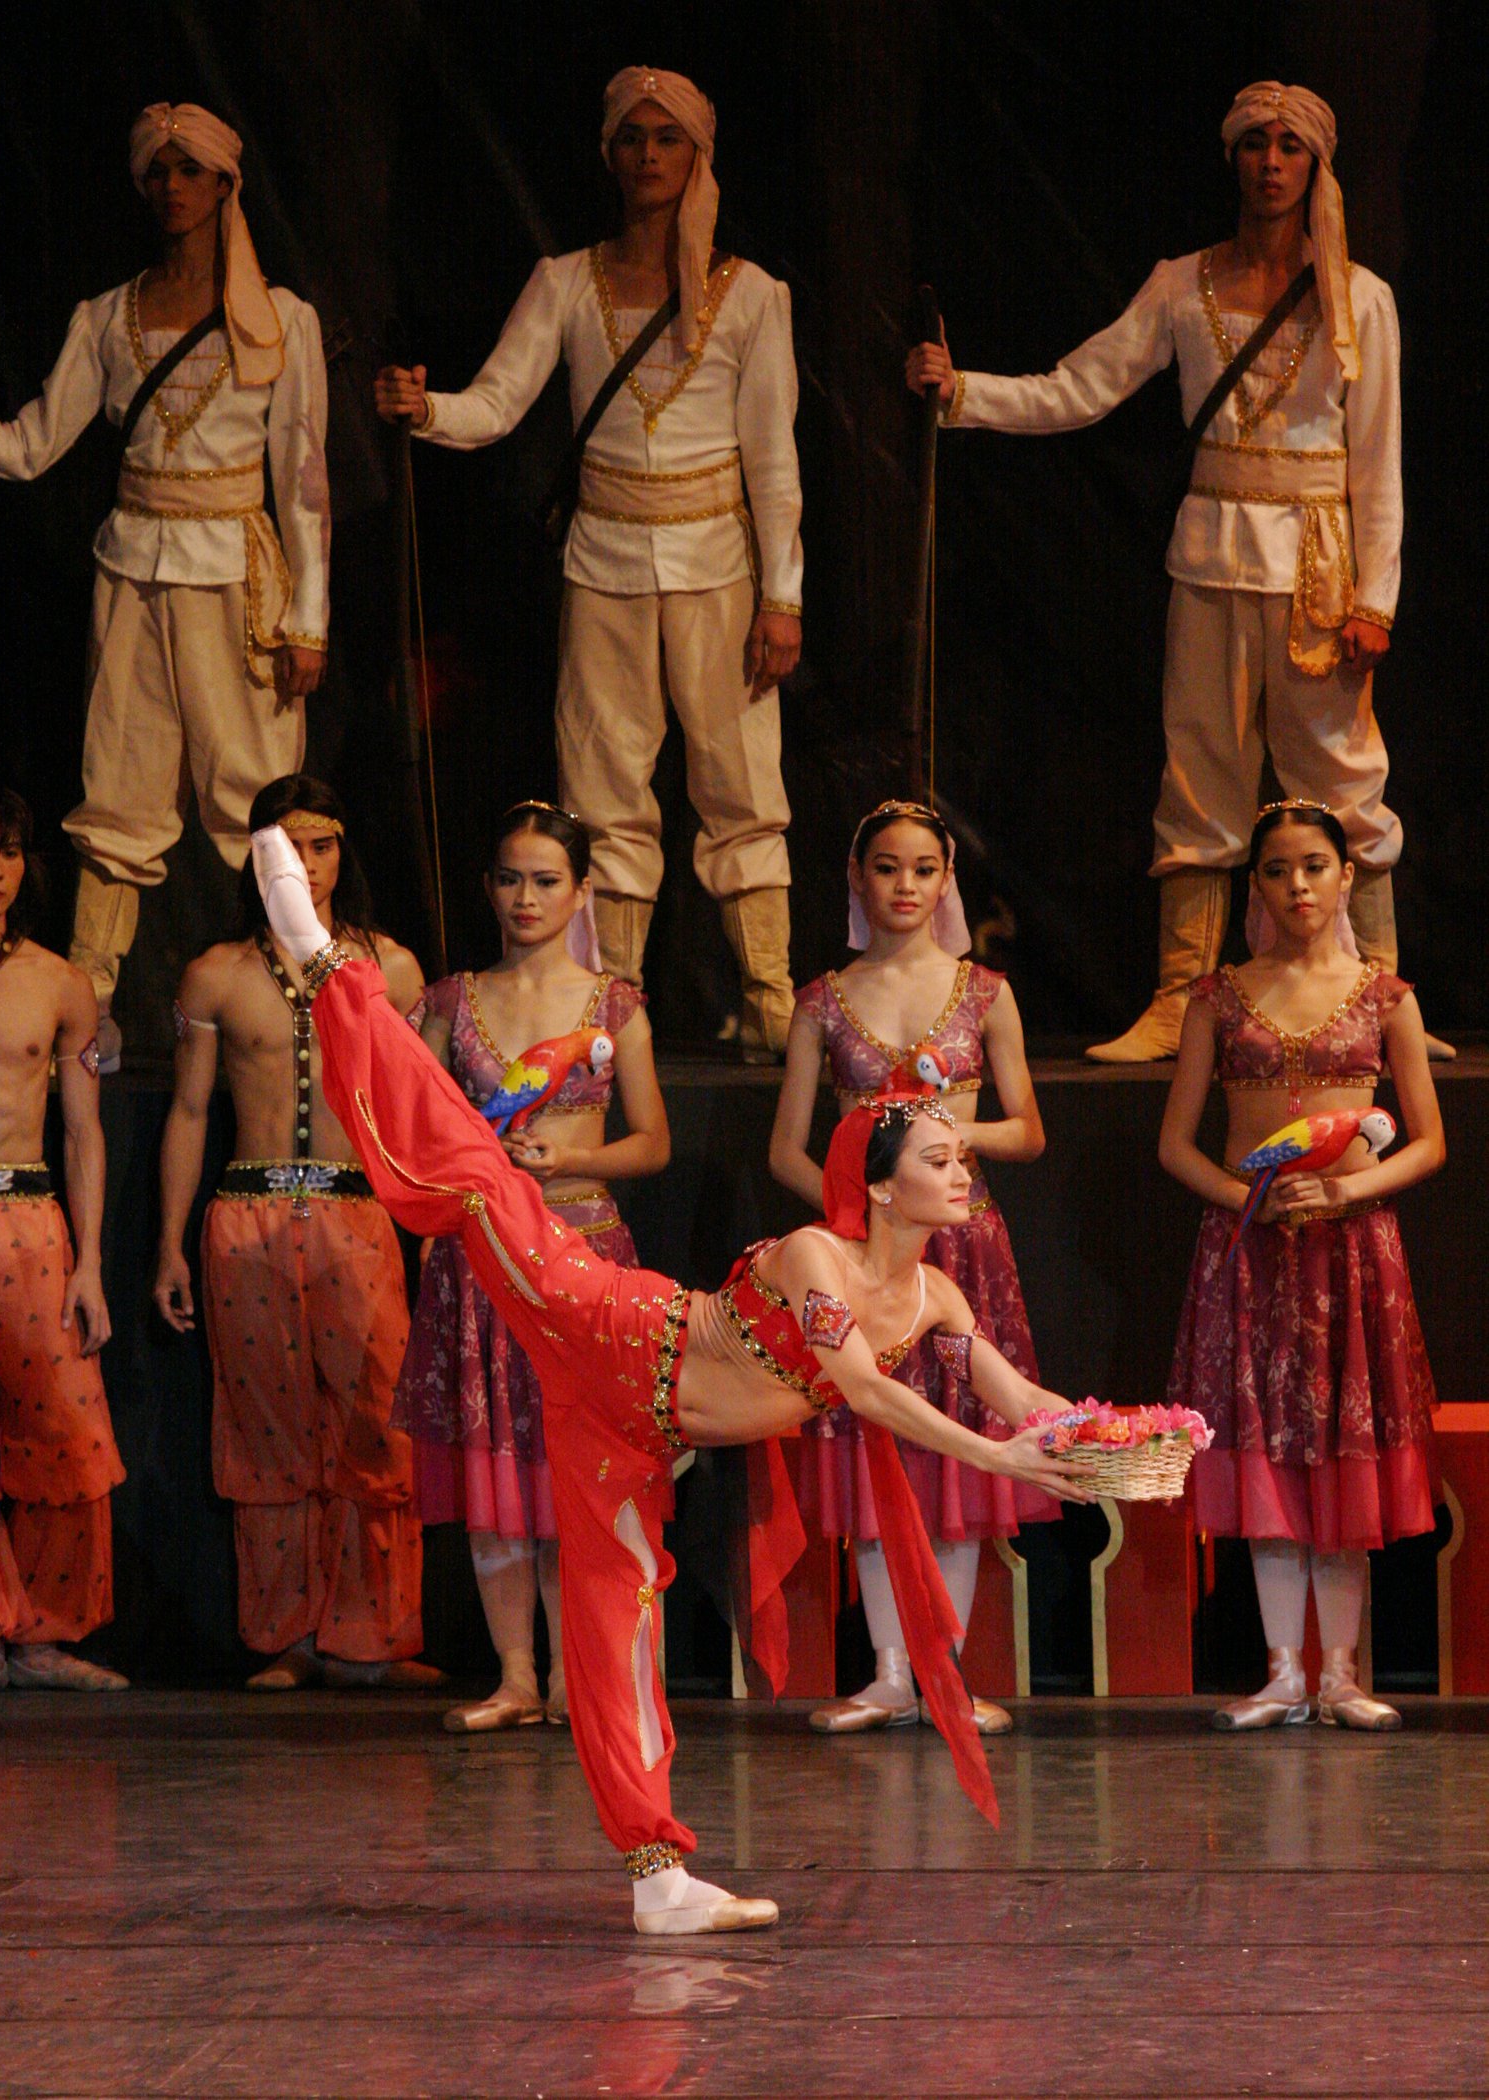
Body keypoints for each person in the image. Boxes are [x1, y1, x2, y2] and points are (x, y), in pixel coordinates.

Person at [250, 821, 1095, 1934]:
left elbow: (1019, 1393)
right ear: (882, 1189)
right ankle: (326, 965)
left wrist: (1104, 1437)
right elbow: (875, 1394)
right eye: (940, 1156)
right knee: (477, 1183)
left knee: (614, 1631)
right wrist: (996, 1455)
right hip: (607, 1328)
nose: (961, 1165)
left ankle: (659, 1881)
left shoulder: (938, 1295)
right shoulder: (814, 1260)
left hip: (641, 1438)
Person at [907, 82, 1432, 1060]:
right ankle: (1183, 1000)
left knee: (1344, 781)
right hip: (1213, 551)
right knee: (1201, 776)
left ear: (1316, 166)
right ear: (1231, 158)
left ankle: (1382, 998)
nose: (1269, 163)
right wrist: (963, 392)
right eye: (1252, 145)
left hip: (1320, 571)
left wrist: (1377, 600)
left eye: (1288, 148)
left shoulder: (1361, 300)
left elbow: (1380, 463)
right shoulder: (1182, 282)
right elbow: (1082, 387)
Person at [374, 65, 803, 1057]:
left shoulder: (752, 297)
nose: (647, 156)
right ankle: (615, 1000)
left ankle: (770, 995)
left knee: (738, 782)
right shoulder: (566, 281)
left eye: (667, 139)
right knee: (603, 786)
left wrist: (782, 598)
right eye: (630, 139)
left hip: (716, 566)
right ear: (609, 155)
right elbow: (496, 403)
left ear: (698, 155)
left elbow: (773, 459)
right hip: (602, 560)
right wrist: (425, 410)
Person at [0, 103, 329, 1065]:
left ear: (226, 183)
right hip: (133, 569)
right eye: (158, 172)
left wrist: (310, 619)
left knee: (252, 791)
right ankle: (89, 1007)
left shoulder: (282, 322)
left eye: (190, 170)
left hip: (238, 575)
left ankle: (289, 988)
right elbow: (26, 446)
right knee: (121, 783)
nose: (172, 187)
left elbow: (306, 483)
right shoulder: (106, 316)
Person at [770, 801, 1055, 1735]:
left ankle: (944, 1671)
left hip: (963, 1248)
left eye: (923, 869)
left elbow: (1028, 1129)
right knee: (874, 1445)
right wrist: (857, 1219)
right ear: (857, 878)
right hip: (864, 1262)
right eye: (885, 868)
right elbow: (786, 1149)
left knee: (962, 1459)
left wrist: (947, 1143)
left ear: (946, 881)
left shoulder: (985, 992)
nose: (904, 885)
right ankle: (891, 1671)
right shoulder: (822, 999)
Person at [1159, 800, 1443, 1730]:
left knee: (1341, 1457)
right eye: (1278, 870)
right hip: (1252, 1253)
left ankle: (1342, 1675)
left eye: (1314, 866)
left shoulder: (1386, 995)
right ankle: (1284, 1670)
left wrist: (1351, 1194)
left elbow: (1428, 1142)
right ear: (1257, 885)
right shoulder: (1217, 996)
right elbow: (1177, 1144)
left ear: (1347, 875)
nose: (1298, 887)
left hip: (1353, 1254)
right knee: (1270, 1453)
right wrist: (1244, 1200)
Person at [153, 777, 438, 1691]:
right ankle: (287, 1635)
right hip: (249, 1213)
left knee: (376, 1422)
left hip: (359, 1213)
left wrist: (430, 1220)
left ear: (343, 854)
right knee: (265, 1427)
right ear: (255, 856)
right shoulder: (217, 973)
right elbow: (191, 1110)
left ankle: (376, 1638)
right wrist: (167, 1242)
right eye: (287, 847)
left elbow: (415, 1108)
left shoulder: (389, 968)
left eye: (321, 847)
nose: (306, 868)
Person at [400, 800, 671, 1732]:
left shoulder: (614, 1002)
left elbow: (652, 1143)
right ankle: (515, 1674)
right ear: (488, 887)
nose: (526, 897)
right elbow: (415, 1134)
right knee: (493, 1461)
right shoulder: (448, 1001)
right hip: (481, 1255)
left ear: (582, 889)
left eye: (547, 880)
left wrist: (576, 1161)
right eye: (510, 879)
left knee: (570, 1462)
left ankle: (575, 1675)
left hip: (582, 1251)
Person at [0, 785, 127, 1692]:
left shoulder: (57, 982)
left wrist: (92, 1266)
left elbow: (84, 1131)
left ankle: (39, 1637)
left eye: (4, 850)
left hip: (27, 1220)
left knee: (65, 1430)